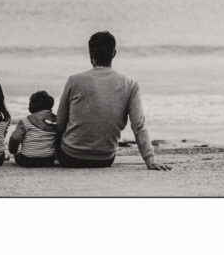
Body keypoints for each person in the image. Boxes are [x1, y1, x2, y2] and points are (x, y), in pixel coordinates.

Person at [55, 31, 171, 170]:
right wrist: (150, 160)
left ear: (90, 54)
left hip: (71, 157)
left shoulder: (74, 80)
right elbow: (139, 125)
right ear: (114, 53)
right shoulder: (130, 84)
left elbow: (60, 123)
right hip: (104, 158)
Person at [8, 90, 58, 167]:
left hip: (27, 160)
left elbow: (15, 138)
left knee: (18, 155)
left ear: (32, 106)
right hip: (48, 160)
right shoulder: (56, 122)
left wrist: (13, 151)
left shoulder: (25, 121)